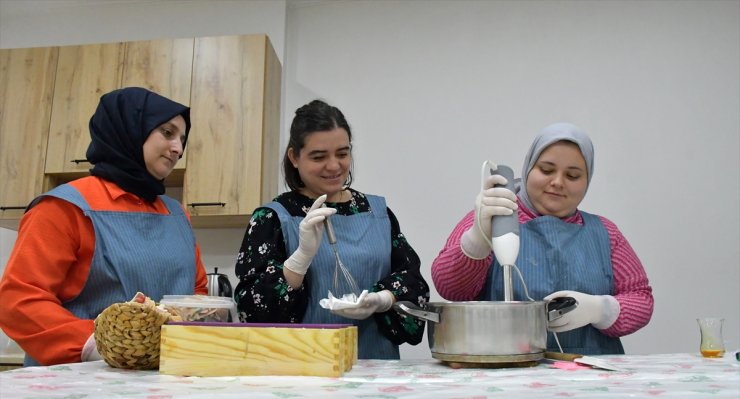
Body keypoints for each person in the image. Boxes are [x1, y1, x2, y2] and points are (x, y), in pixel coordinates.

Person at [0, 87, 208, 366]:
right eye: (168, 133)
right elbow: (18, 302)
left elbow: (197, 295)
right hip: (79, 386)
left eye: (182, 139)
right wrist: (97, 345)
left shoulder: (177, 215)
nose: (178, 149)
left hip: (165, 381)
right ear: (129, 129)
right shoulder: (65, 208)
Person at [431, 122, 653, 355]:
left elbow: (641, 299)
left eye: (573, 175)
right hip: (507, 371)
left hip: (589, 375)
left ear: (587, 181)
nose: (557, 182)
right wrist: (478, 239)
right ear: (528, 168)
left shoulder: (605, 233)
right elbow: (450, 288)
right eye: (546, 170)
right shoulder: (492, 218)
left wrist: (600, 310)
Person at [234, 99, 429, 359]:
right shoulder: (272, 219)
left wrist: (384, 298)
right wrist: (298, 262)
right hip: (302, 376)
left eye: (342, 153)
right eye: (319, 156)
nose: (334, 166)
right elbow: (252, 312)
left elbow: (414, 284)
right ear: (294, 157)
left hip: (376, 374)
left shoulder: (377, 213)